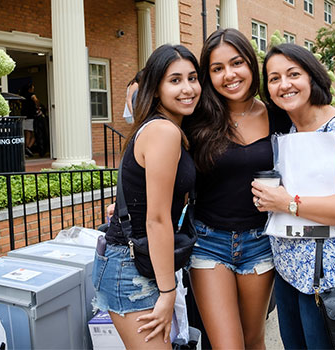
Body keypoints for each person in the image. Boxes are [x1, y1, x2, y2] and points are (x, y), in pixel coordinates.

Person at [252, 43, 335, 349]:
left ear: (312, 76)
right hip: (291, 272)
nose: (284, 84)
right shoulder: (290, 132)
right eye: (273, 78)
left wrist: (287, 203)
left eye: (293, 74)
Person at [184, 28, 291, 349]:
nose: (229, 75)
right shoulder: (196, 119)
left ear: (251, 66)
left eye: (236, 63)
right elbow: (160, 163)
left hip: (261, 243)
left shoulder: (279, 115)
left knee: (253, 339)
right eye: (217, 69)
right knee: (227, 345)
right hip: (208, 243)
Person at [91, 44, 200, 348]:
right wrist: (167, 293)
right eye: (175, 80)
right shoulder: (164, 132)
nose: (187, 88)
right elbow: (156, 220)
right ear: (155, 89)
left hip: (136, 261)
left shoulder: (161, 128)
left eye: (192, 78)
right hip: (132, 267)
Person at [19, 82, 41, 157]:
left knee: (26, 133)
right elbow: (36, 100)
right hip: (30, 117)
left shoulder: (23, 96)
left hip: (24, 117)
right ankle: (28, 148)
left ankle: (26, 149)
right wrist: (38, 107)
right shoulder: (31, 95)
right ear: (30, 89)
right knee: (32, 133)